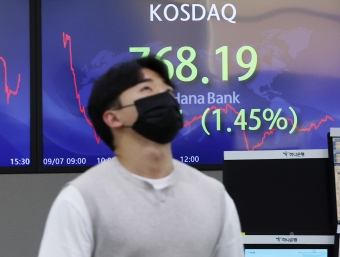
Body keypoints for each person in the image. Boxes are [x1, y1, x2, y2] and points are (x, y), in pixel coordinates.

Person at [38, 56, 243, 257]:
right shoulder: (81, 199)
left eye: (168, 91)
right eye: (147, 89)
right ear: (113, 117)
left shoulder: (215, 197)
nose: (164, 96)